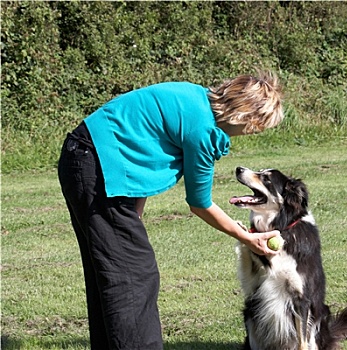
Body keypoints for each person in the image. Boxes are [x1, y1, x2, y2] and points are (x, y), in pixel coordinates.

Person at [57, 72, 284, 349]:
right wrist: (246, 236)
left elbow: (139, 150)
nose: (255, 132)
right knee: (135, 275)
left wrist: (134, 214)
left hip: (85, 157)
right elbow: (200, 203)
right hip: (95, 166)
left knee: (112, 271)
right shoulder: (203, 130)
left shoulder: (193, 97)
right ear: (247, 117)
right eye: (259, 125)